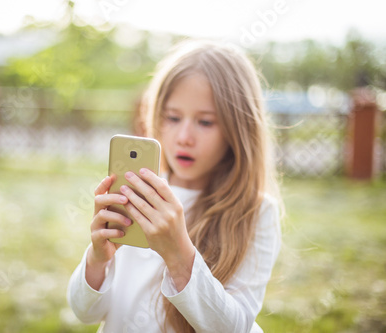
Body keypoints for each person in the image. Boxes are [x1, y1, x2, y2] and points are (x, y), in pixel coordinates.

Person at [67, 39, 282, 333]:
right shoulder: (136, 193)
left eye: (205, 122)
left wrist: (179, 255)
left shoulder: (256, 213)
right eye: (173, 117)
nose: (184, 136)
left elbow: (233, 327)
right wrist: (97, 258)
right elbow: (85, 312)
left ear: (237, 130)